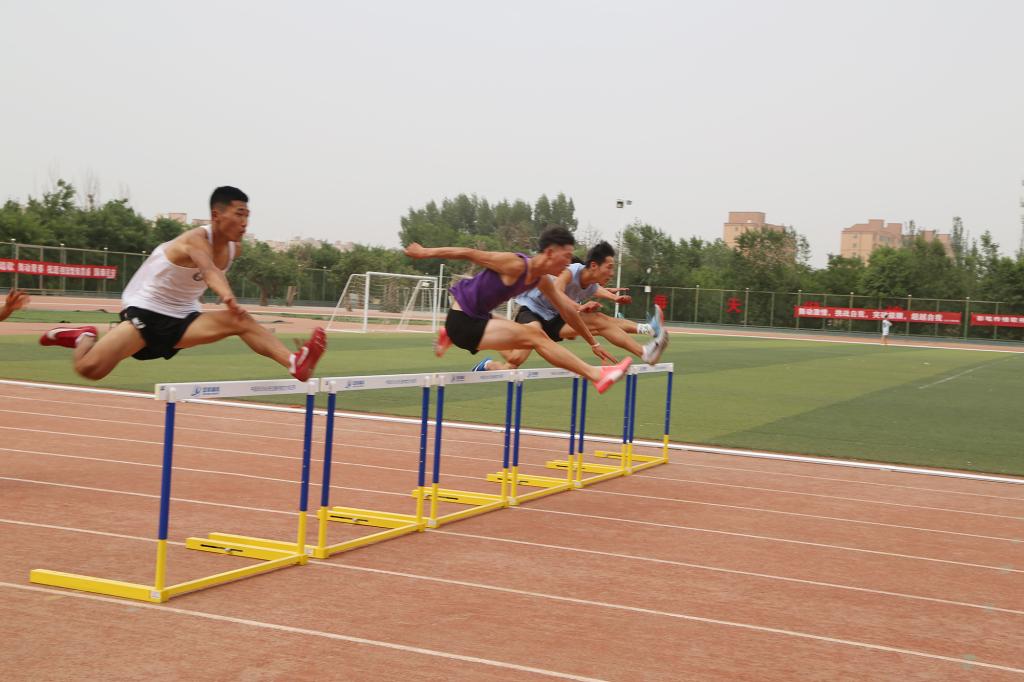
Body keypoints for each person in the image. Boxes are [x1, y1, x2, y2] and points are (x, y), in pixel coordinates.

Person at [39, 186, 326, 381]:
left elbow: (216, 271)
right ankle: (83, 337)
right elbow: (209, 269)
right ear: (217, 215)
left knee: (240, 321)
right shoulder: (195, 239)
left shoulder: (235, 249)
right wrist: (227, 296)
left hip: (184, 318)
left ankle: (294, 363)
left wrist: (229, 301)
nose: (244, 223)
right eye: (239, 214)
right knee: (89, 369)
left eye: (247, 216)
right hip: (147, 311)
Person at [404, 226, 632, 393]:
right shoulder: (514, 264)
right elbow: (469, 253)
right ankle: (596, 375)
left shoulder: (541, 280)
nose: (569, 264)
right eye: (565, 258)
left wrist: (593, 343)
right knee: (536, 336)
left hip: (478, 319)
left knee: (521, 350)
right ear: (549, 253)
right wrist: (424, 252)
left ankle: (455, 341)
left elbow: (568, 311)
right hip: (463, 321)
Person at [473, 241, 668, 371]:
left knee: (600, 320)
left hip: (555, 317)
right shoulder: (570, 271)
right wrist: (579, 307)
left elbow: (598, 291)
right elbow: (556, 292)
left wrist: (614, 298)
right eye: (609, 268)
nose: (611, 273)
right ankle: (486, 352)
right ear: (594, 266)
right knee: (515, 360)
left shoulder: (591, 285)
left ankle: (645, 351)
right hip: (532, 310)